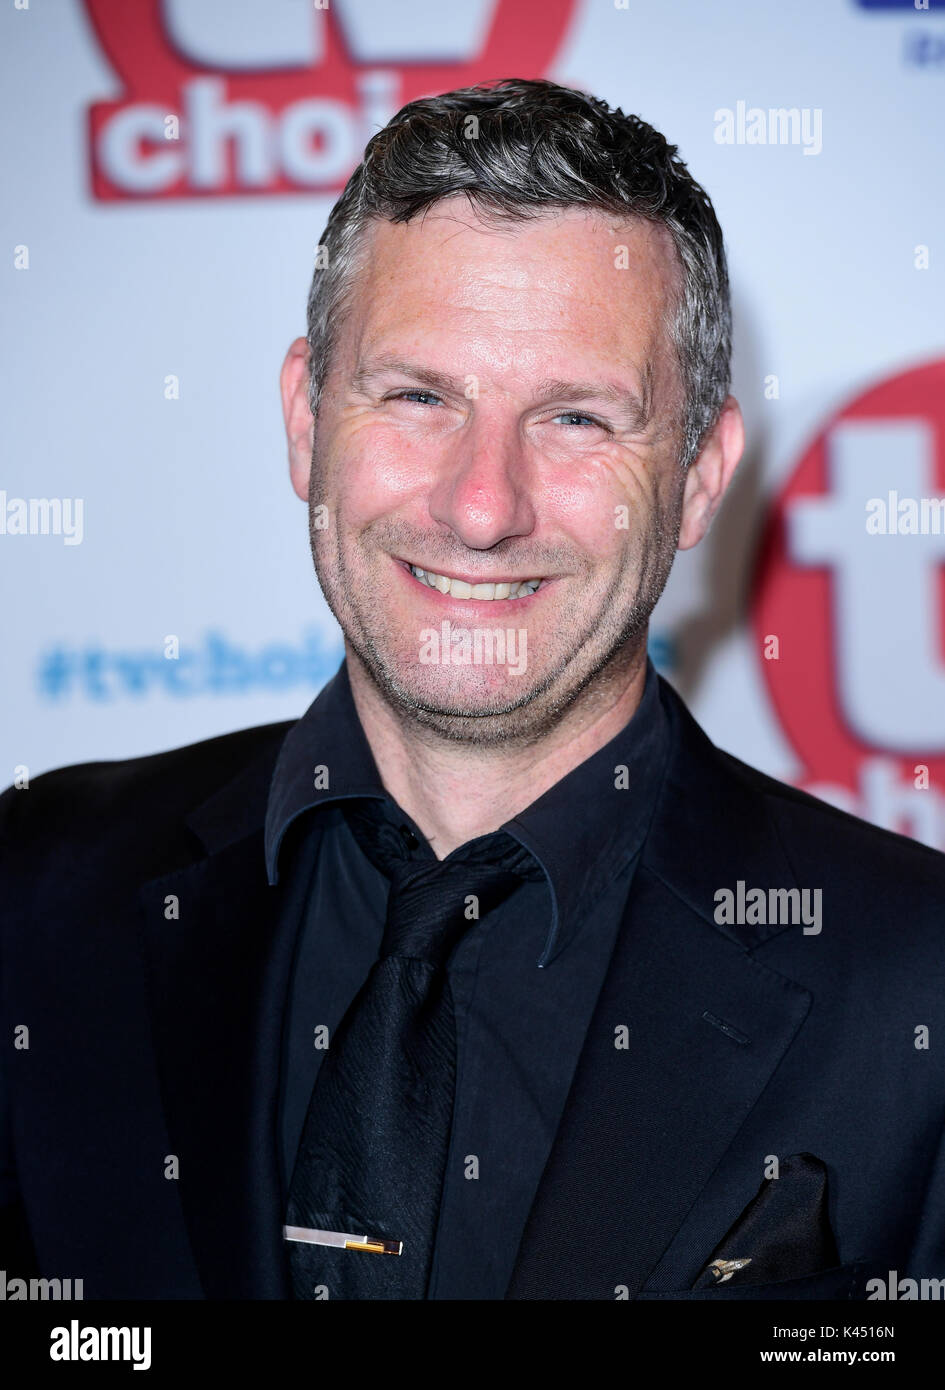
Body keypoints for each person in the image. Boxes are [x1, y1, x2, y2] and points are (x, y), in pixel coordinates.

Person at [2, 78, 944, 1303]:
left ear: (703, 476)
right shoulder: (33, 894)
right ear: (305, 418)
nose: (482, 506)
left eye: (575, 417)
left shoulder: (914, 979)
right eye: (419, 397)